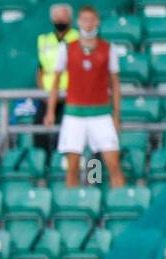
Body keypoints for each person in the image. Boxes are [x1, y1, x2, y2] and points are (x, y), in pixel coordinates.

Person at [45, 4, 124, 188]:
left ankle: (110, 202)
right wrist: (50, 110)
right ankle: (74, 207)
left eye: (91, 20)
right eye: (84, 20)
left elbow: (115, 84)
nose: (88, 24)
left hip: (101, 114)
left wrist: (116, 115)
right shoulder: (67, 49)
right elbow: (56, 82)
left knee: (112, 163)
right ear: (78, 22)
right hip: (75, 115)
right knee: (73, 165)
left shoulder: (108, 49)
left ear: (97, 21)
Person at [34, 5, 77, 155]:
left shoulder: (78, 39)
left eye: (63, 16)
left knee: (68, 133)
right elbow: (40, 69)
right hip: (48, 95)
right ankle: (43, 165)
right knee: (39, 127)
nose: (60, 20)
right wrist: (43, 93)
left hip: (72, 96)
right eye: (57, 17)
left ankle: (92, 177)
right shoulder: (44, 40)